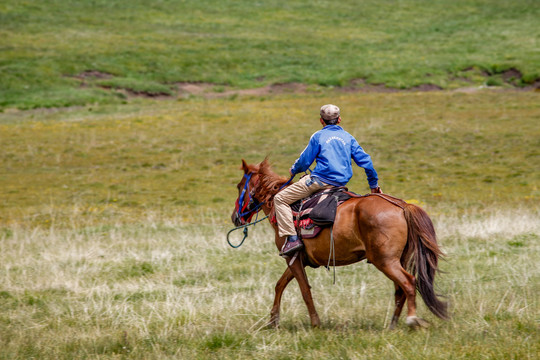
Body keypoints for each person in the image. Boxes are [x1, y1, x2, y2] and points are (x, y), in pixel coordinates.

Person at [275, 104, 382, 256]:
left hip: (319, 182)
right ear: (339, 119)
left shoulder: (318, 136)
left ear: (321, 121)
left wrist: (294, 169)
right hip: (340, 184)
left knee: (280, 198)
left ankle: (292, 239)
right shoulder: (349, 138)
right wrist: (374, 185)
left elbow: (304, 162)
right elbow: (367, 163)